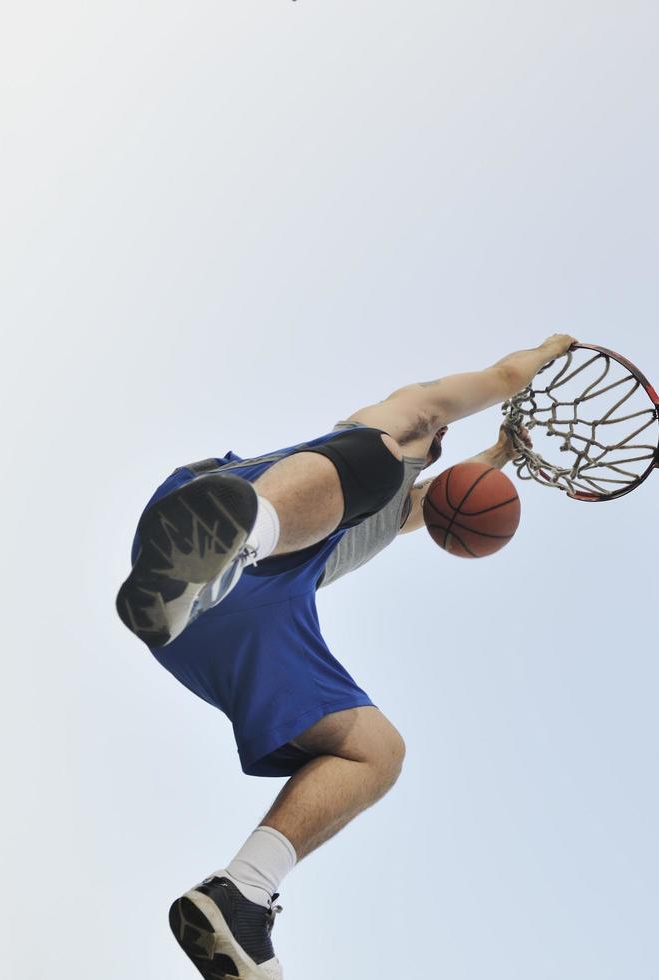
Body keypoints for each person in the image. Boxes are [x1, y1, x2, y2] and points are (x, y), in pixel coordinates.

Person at [117, 334, 575, 980]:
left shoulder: (390, 511)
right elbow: (503, 376)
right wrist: (548, 351)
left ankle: (240, 894)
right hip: (204, 527)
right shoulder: (401, 418)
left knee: (378, 752)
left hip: (241, 613)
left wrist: (499, 454)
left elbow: (434, 504)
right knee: (376, 459)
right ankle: (232, 541)